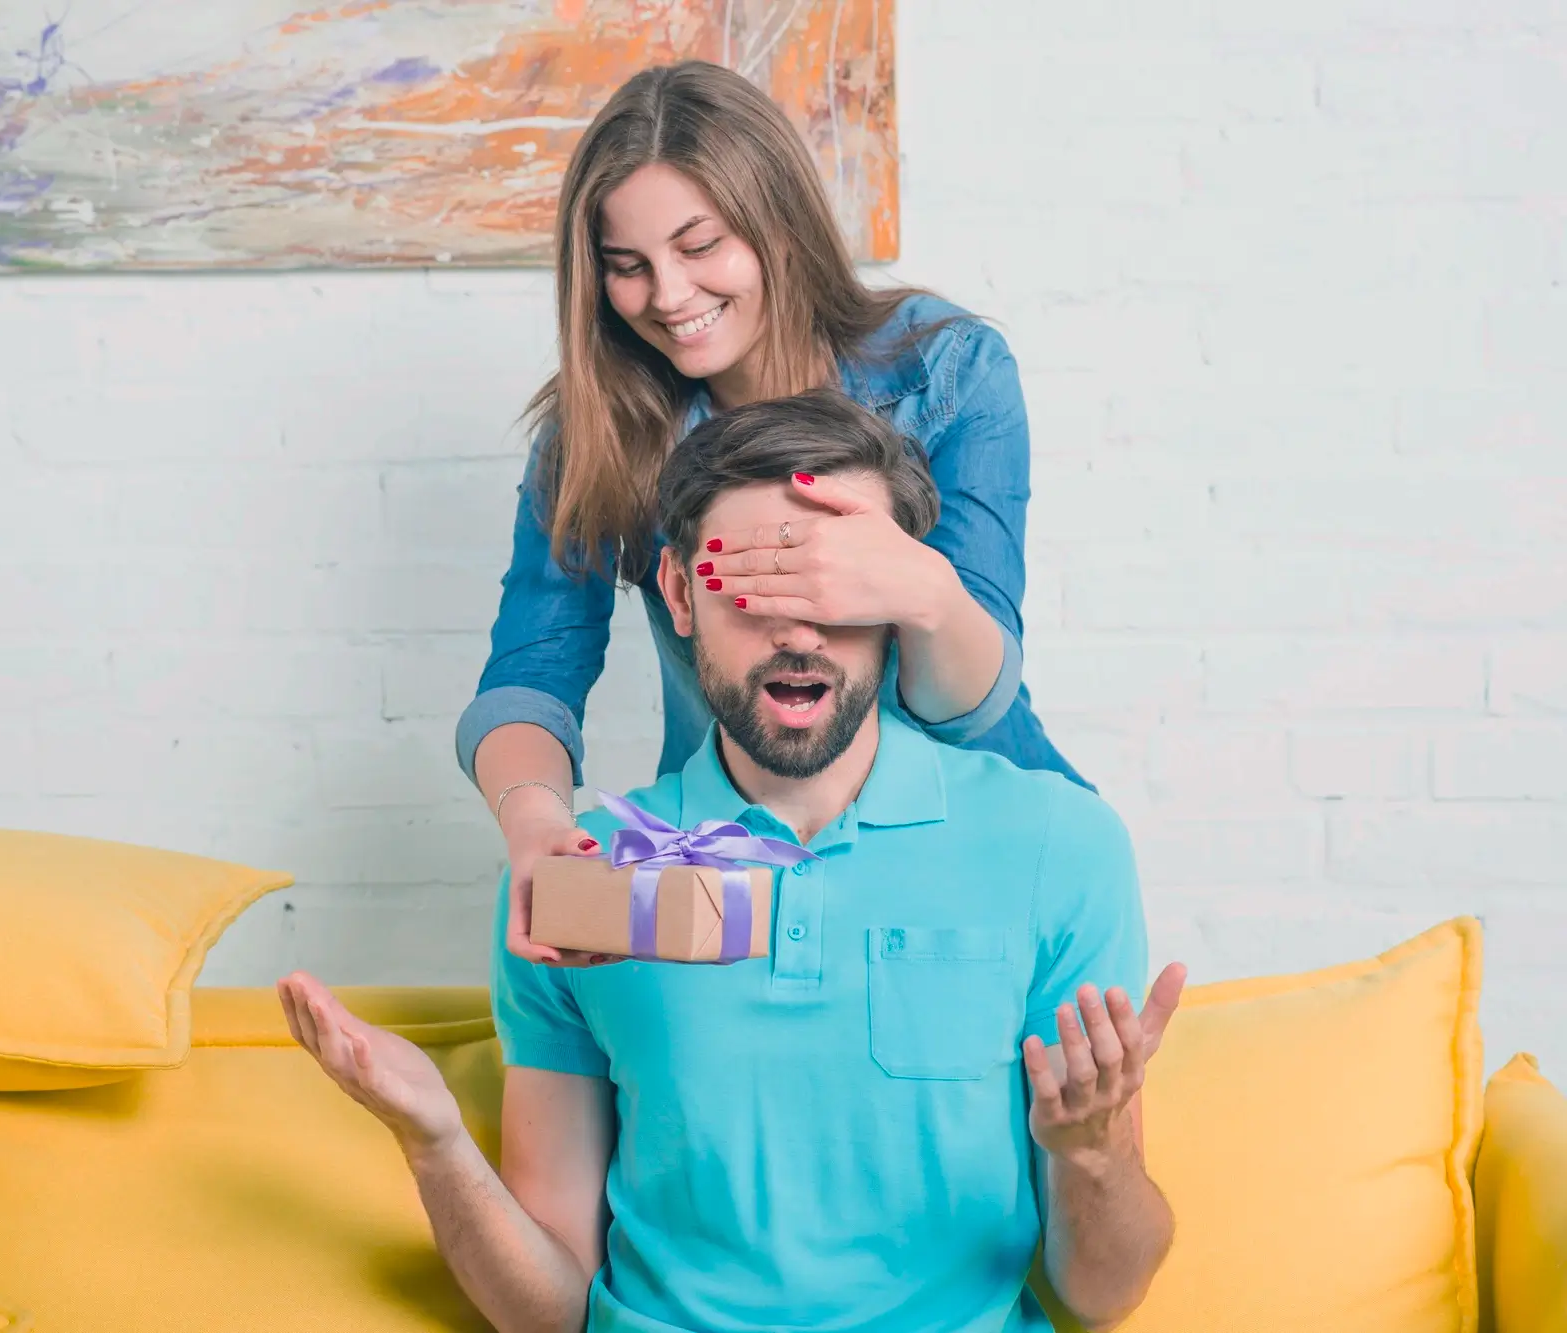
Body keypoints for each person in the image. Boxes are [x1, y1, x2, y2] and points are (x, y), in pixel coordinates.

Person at [285, 391, 1184, 1333]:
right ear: (679, 592)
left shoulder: (1056, 847)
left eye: (836, 591)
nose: (798, 633)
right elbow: (550, 1313)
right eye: (755, 588)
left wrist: (1092, 1154)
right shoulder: (579, 875)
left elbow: (1105, 1293)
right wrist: (434, 1142)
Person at [457, 61, 1086, 969]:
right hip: (743, 869)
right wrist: (535, 819)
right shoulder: (600, 429)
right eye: (627, 267)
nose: (668, 296)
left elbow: (972, 698)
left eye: (700, 244)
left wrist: (914, 588)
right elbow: (531, 675)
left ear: (776, 219)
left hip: (979, 841)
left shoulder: (948, 374)